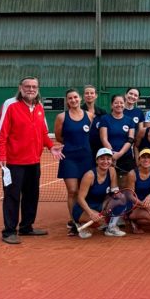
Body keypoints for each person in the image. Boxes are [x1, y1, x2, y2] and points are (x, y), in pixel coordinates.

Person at [0, 76, 63, 243]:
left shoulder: (39, 106)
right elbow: (1, 133)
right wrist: (1, 155)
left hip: (34, 161)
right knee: (12, 197)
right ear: (20, 88)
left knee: (31, 195)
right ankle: (9, 232)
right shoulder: (10, 105)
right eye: (27, 86)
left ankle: (26, 227)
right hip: (14, 162)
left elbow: (43, 132)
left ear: (37, 89)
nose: (31, 89)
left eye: (34, 86)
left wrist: (50, 146)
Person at [54, 89, 94, 235]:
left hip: (86, 157)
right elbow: (59, 137)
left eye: (75, 97)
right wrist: (71, 146)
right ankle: (74, 223)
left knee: (84, 191)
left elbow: (89, 135)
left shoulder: (90, 115)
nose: (73, 100)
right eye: (70, 98)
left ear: (80, 98)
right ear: (67, 101)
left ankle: (82, 218)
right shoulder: (61, 117)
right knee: (72, 191)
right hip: (69, 158)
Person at [73, 147, 125, 238]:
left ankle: (111, 228)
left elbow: (114, 190)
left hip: (100, 205)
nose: (105, 162)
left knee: (121, 200)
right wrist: (91, 213)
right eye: (102, 159)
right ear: (97, 160)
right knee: (100, 222)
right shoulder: (89, 175)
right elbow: (80, 198)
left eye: (108, 159)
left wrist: (118, 195)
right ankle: (82, 224)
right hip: (83, 208)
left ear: (111, 161)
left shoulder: (112, 171)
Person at [98, 94, 136, 181]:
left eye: (121, 103)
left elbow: (130, 139)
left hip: (126, 157)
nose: (119, 105)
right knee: (110, 182)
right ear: (112, 105)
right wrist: (112, 154)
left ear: (124, 104)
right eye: (116, 103)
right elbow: (104, 138)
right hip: (108, 157)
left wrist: (119, 154)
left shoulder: (130, 120)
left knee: (126, 183)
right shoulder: (105, 119)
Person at [82, 84, 106, 160]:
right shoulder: (78, 111)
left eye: (92, 93)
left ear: (96, 96)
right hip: (83, 148)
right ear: (83, 96)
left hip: (98, 149)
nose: (89, 95)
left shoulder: (102, 112)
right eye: (87, 93)